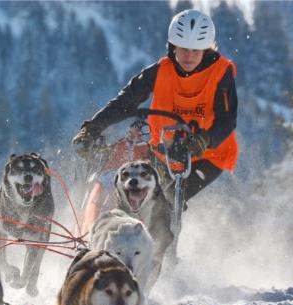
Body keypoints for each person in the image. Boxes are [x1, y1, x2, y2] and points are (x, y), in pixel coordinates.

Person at [73, 9, 238, 205]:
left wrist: (205, 139)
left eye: (196, 50)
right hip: (163, 154)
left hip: (208, 156)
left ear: (206, 49)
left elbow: (227, 120)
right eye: (184, 48)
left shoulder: (220, 73)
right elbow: (125, 102)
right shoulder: (160, 70)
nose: (189, 56)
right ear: (173, 46)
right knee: (139, 201)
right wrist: (92, 128)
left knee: (167, 205)